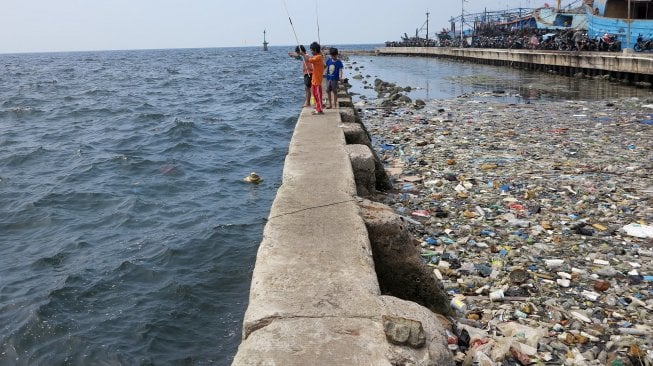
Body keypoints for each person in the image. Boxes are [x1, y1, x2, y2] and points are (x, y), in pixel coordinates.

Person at [302, 41, 325, 115]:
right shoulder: (317, 57)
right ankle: (318, 108)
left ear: (315, 50)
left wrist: (303, 54)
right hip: (314, 80)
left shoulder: (318, 57)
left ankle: (320, 110)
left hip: (317, 80)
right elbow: (310, 59)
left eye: (311, 50)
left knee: (318, 96)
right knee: (315, 95)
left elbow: (309, 60)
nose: (311, 52)